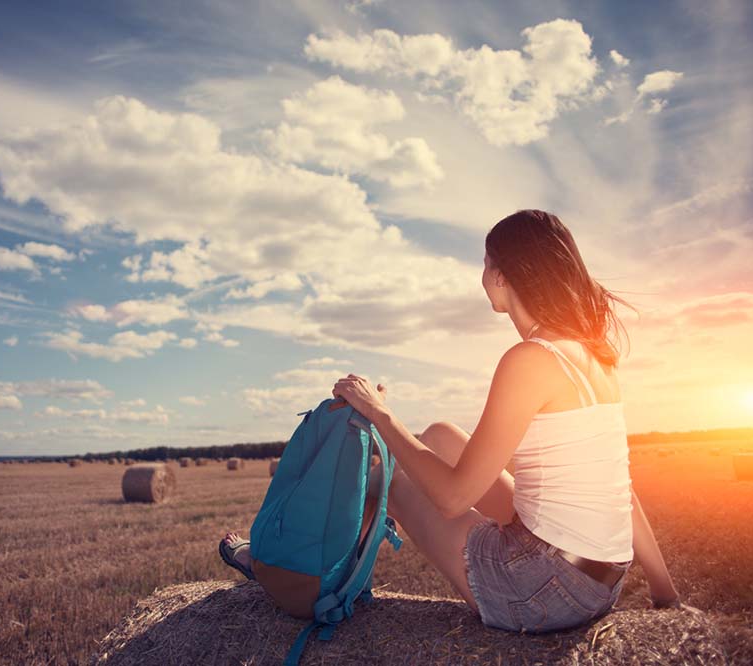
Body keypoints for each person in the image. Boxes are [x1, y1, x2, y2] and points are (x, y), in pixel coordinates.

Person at [221, 209, 696, 633]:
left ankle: (286, 575)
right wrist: (665, 592)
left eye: (486, 262)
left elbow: (451, 499)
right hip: (601, 580)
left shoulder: (528, 359)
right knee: (442, 436)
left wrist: (381, 415)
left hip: (544, 589)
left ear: (505, 275)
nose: (482, 273)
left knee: (393, 485)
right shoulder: (591, 358)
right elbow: (621, 490)